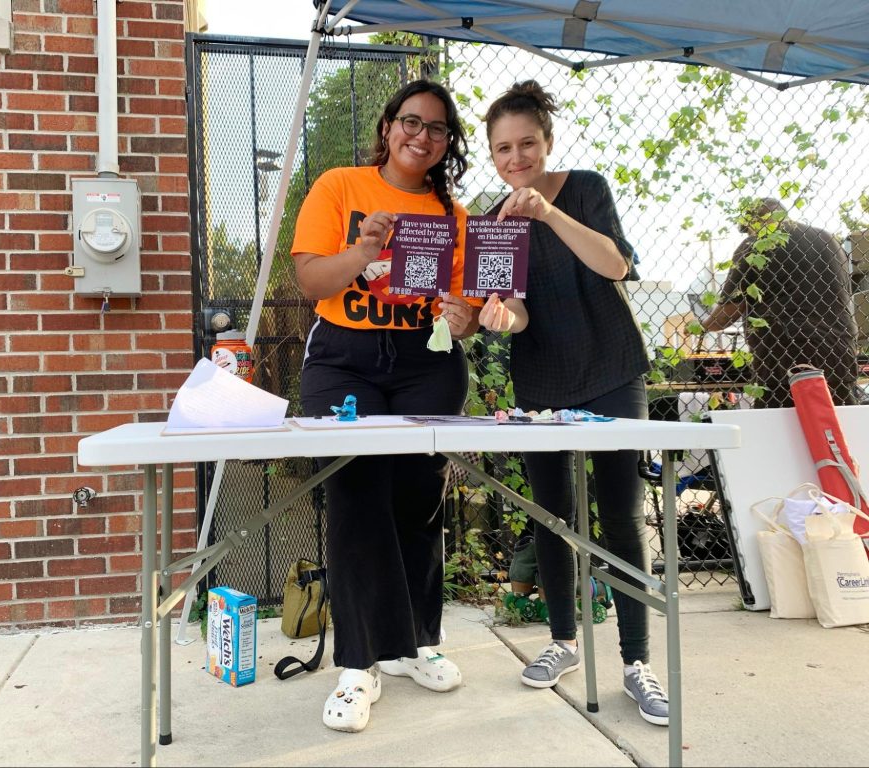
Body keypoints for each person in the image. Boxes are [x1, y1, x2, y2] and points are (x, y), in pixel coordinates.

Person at [476, 81, 669, 727]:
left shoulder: (585, 187)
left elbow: (615, 266)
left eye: (527, 143)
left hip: (612, 368)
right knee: (551, 514)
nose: (516, 157)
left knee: (620, 514)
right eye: (503, 148)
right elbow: (519, 314)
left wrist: (549, 214)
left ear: (546, 143)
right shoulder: (489, 220)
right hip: (541, 378)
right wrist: (502, 318)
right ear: (492, 154)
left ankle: (637, 662)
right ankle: (562, 642)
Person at [291, 79, 480, 734]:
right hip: (345, 357)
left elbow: (466, 313)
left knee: (417, 499)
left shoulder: (454, 216)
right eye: (410, 121)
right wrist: (365, 250)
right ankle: (358, 663)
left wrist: (464, 319)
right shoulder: (340, 187)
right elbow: (311, 280)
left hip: (426, 361)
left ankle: (412, 643)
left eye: (435, 128)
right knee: (355, 494)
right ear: (387, 126)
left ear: (446, 143)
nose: (420, 135)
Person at [700, 197, 858, 408]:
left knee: (777, 427)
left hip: (785, 355)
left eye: (748, 229)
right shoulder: (828, 239)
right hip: (839, 349)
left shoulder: (755, 245)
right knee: (840, 424)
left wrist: (701, 326)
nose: (750, 234)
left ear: (756, 220)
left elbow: (728, 313)